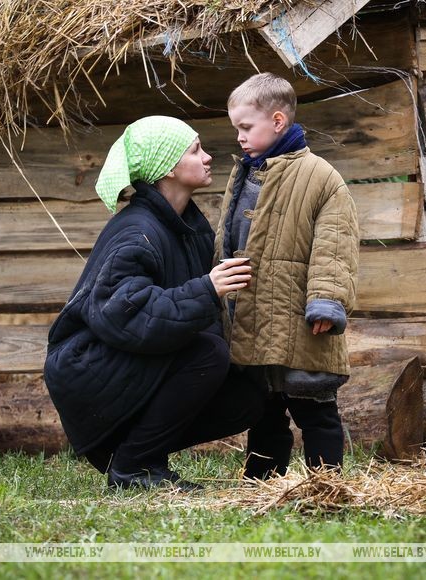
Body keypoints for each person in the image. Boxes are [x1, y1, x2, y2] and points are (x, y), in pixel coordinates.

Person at [44, 116, 263, 491]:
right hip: (87, 369)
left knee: (247, 394)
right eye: (195, 150)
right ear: (168, 168)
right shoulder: (137, 231)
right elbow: (124, 314)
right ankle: (134, 466)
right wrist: (206, 290)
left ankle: (133, 451)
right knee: (208, 353)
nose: (208, 157)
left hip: (123, 366)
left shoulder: (187, 228)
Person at [216, 73, 360, 479]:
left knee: (314, 406)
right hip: (256, 318)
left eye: (246, 127)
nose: (240, 137)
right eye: (236, 129)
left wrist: (327, 302)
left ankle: (326, 482)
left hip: (301, 318)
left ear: (277, 121)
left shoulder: (321, 177)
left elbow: (336, 244)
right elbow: (226, 238)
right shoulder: (244, 173)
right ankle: (263, 482)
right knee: (263, 411)